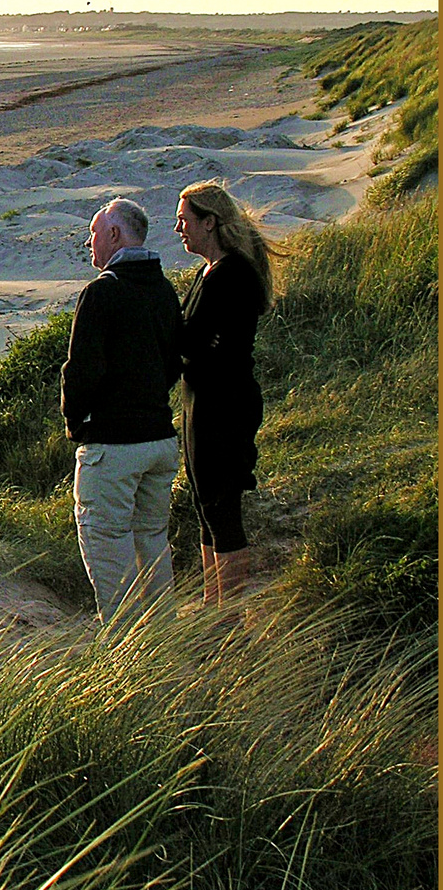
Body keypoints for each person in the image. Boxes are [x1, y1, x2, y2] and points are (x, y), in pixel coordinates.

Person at [60, 198, 183, 622]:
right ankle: (164, 635)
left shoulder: (102, 292)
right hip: (159, 439)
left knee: (107, 546)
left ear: (114, 235)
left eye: (94, 233)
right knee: (151, 539)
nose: (89, 243)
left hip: (114, 445)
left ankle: (126, 650)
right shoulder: (163, 289)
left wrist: (76, 422)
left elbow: (81, 372)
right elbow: (172, 363)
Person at [174, 180, 272, 607]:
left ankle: (230, 620)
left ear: (209, 223)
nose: (180, 229)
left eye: (185, 220)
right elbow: (193, 339)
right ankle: (216, 612)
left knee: (221, 506)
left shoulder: (234, 274)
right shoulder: (208, 272)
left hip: (225, 402)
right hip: (202, 399)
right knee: (204, 503)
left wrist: (183, 343)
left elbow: (197, 341)